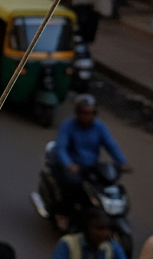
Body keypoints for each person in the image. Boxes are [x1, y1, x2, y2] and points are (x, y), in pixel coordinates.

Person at [53, 94, 131, 229]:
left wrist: (122, 162)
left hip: (91, 166)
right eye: (84, 113)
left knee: (106, 183)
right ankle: (62, 213)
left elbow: (110, 144)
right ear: (77, 113)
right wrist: (68, 164)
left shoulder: (99, 127)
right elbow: (61, 148)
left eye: (91, 113)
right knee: (73, 184)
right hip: (70, 166)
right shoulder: (68, 126)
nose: (88, 117)